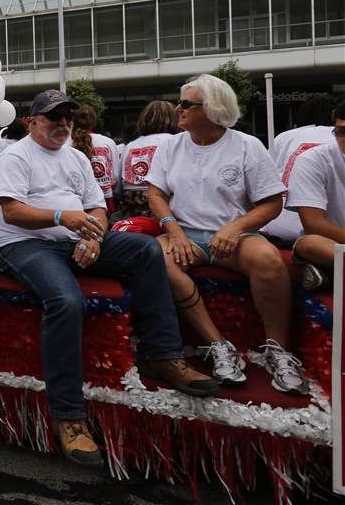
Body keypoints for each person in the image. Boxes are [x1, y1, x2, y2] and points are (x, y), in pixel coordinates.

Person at [0, 90, 218, 467]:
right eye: (53, 117)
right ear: (32, 122)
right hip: (26, 243)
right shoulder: (15, 155)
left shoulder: (78, 157)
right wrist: (65, 218)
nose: (63, 123)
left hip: (76, 237)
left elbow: (97, 206)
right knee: (65, 300)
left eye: (68, 117)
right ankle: (69, 416)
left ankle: (163, 355)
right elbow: (12, 212)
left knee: (145, 250)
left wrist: (93, 236)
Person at [146, 74, 307, 396]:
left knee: (269, 260)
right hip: (185, 234)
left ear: (213, 108)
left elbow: (272, 202)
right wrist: (174, 231)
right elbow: (156, 194)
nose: (178, 109)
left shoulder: (247, 146)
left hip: (236, 236)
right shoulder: (170, 146)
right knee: (154, 258)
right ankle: (218, 344)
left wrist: (235, 228)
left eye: (186, 104)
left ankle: (278, 350)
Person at [286, 100, 345, 291]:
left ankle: (329, 272)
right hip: (333, 243)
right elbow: (313, 224)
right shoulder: (313, 160)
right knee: (309, 244)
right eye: (340, 131)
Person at [263, 93, 337, 244]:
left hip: (278, 226)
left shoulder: (284, 137)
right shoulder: (338, 138)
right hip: (331, 229)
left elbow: (268, 179)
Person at [114, 101, 179, 221]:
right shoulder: (175, 141)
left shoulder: (131, 145)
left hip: (132, 206)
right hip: (164, 206)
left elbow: (119, 185)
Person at [70, 105, 120, 214]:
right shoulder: (108, 142)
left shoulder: (66, 143)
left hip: (76, 200)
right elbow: (115, 175)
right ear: (94, 121)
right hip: (105, 198)